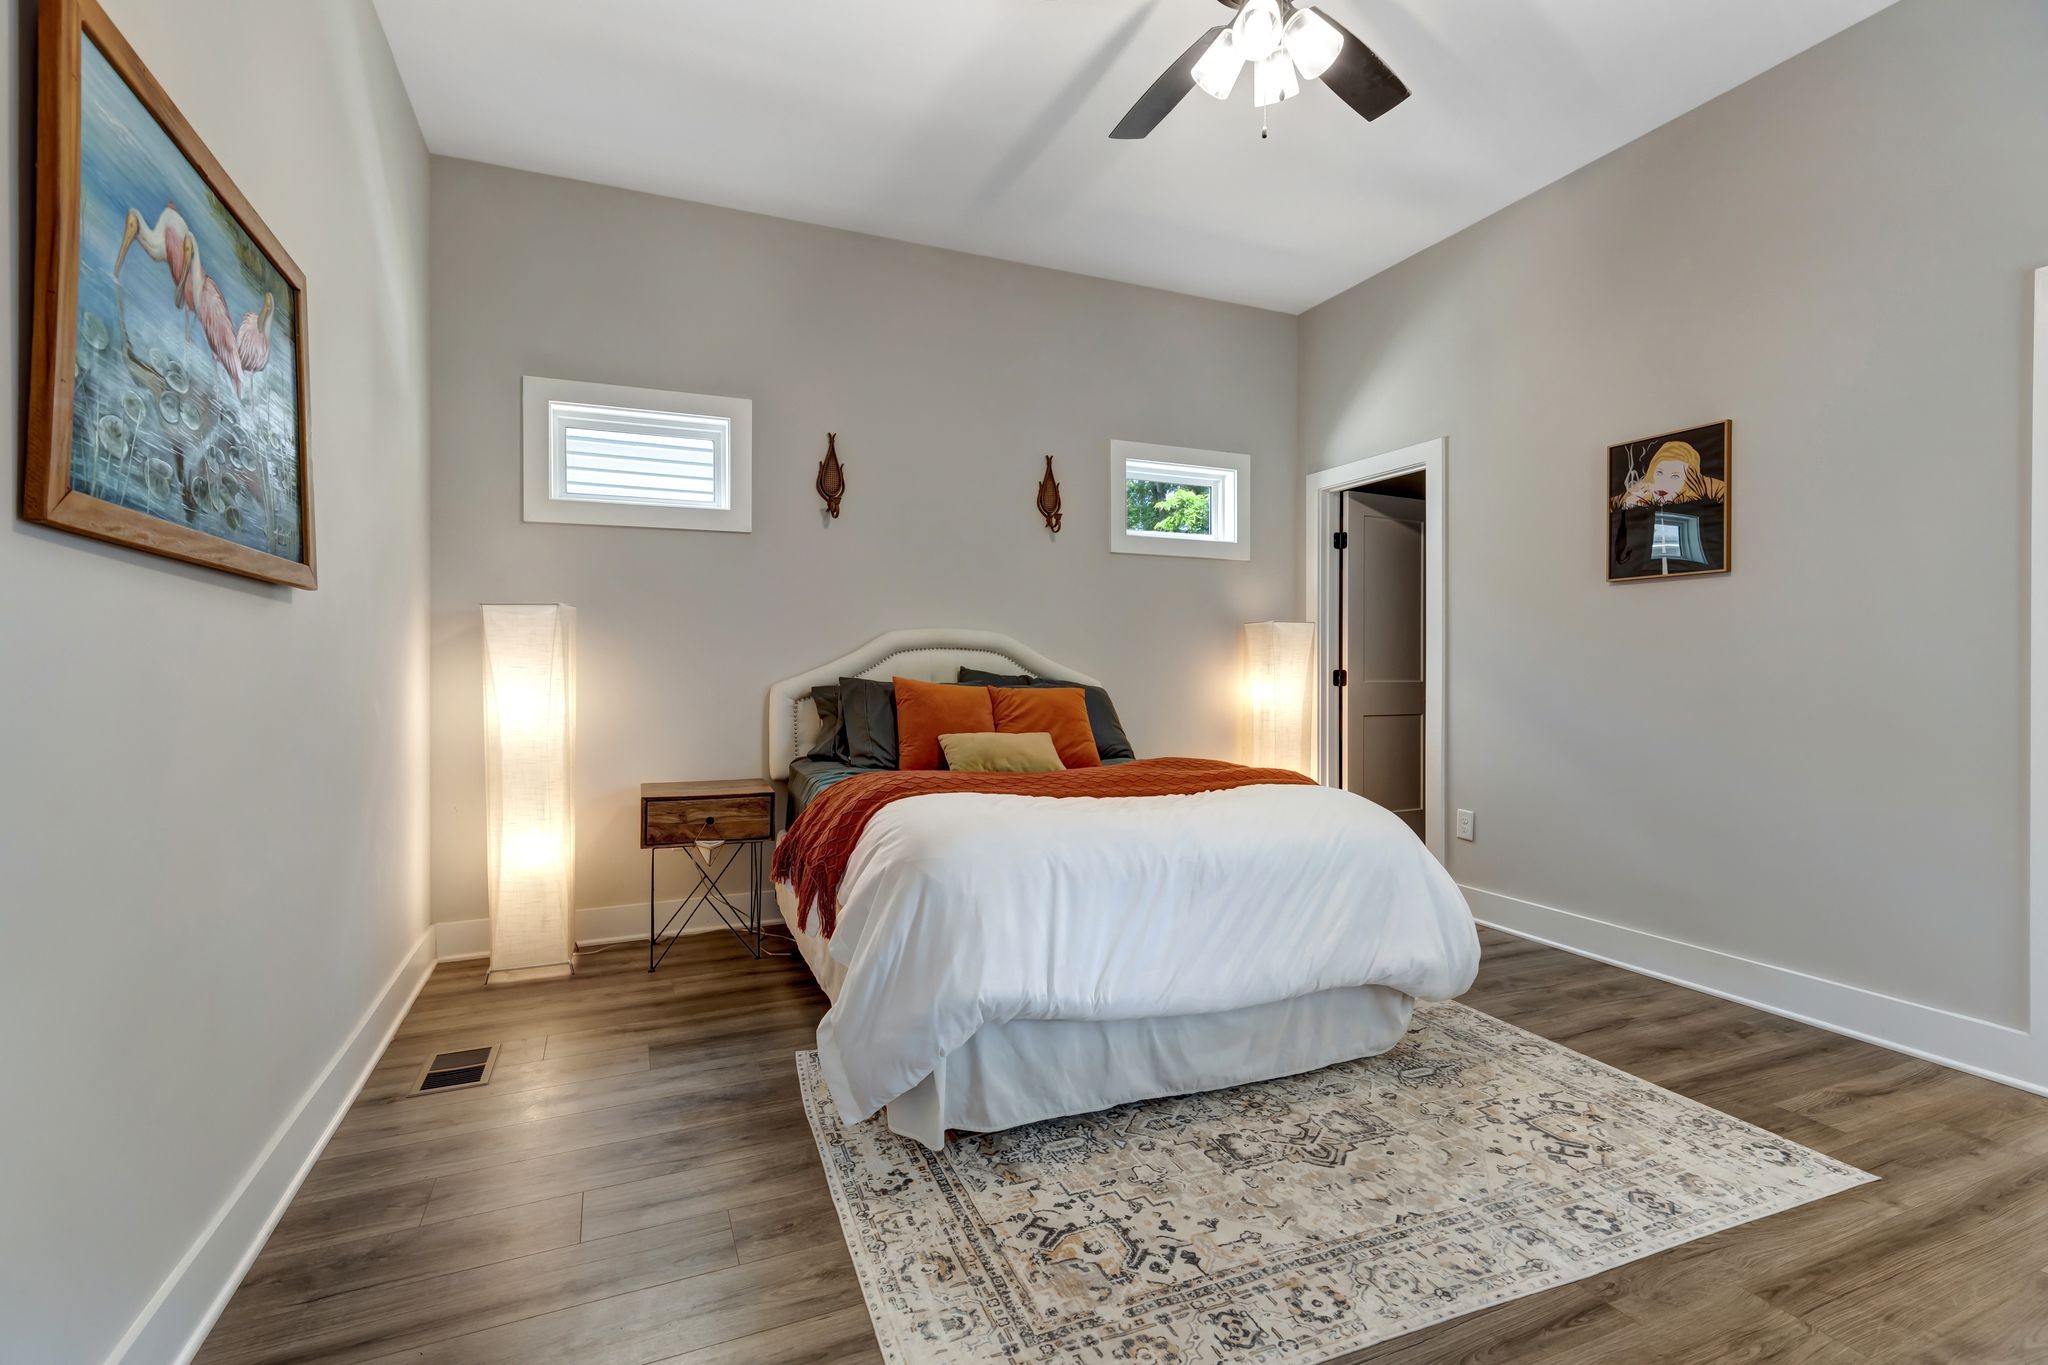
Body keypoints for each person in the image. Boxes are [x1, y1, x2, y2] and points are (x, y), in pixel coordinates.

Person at [1611, 440, 1727, 510]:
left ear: (1688, 480)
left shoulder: (1706, 487)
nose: (1663, 483)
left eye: (1675, 476)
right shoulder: (1642, 489)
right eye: (1659, 473)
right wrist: (1627, 506)